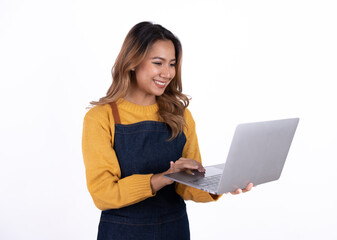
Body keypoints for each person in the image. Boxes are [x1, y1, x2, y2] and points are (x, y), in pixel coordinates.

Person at [82, 21, 253, 240]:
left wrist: (219, 186)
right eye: (158, 63)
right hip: (123, 233)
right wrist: (164, 178)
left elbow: (187, 187)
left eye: (172, 64)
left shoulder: (180, 116)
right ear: (132, 62)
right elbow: (103, 194)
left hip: (175, 231)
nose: (167, 73)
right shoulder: (101, 118)